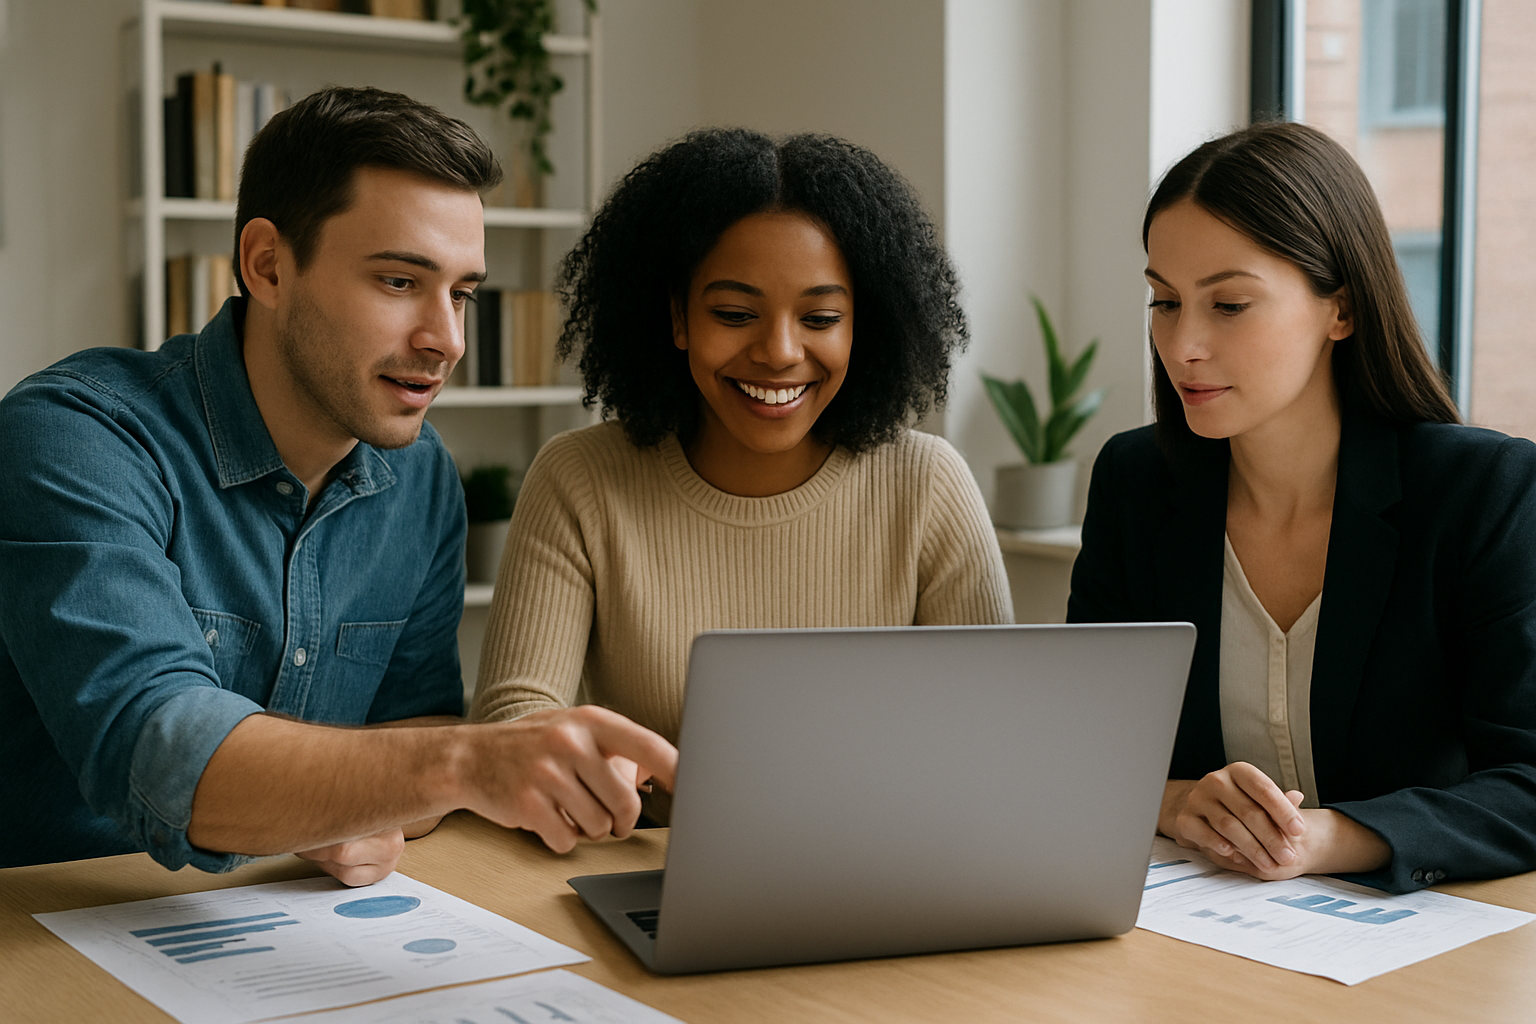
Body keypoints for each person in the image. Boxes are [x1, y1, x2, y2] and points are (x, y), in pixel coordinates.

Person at [0, 86, 676, 884]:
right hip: (47, 931)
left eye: (462, 293)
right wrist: (463, 763)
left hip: (281, 929)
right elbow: (160, 743)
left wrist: (370, 808)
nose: (446, 340)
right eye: (398, 282)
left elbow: (411, 722)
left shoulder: (419, 476)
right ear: (269, 265)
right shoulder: (76, 437)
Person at [472, 128, 1012, 817]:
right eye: (734, 313)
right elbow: (512, 725)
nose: (780, 352)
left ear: (861, 326)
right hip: (646, 867)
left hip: (880, 867)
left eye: (820, 317)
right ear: (677, 317)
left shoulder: (929, 485)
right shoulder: (581, 478)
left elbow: (995, 737)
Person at [1068, 121, 1536, 893]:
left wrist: (1328, 838)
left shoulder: (1484, 491)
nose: (1182, 344)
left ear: (1340, 310)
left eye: (1229, 305)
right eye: (1164, 301)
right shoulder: (1135, 482)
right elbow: (1075, 749)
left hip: (1423, 954)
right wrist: (1179, 802)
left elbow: (1525, 777)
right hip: (1201, 939)